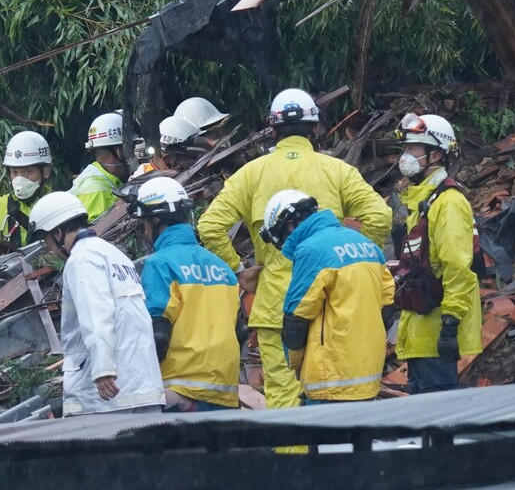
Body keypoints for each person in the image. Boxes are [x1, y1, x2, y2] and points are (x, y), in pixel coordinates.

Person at [197, 88, 392, 410]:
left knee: (285, 404)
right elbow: (379, 215)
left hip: (276, 306)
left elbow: (210, 226)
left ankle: (293, 460)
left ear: (272, 130)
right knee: (338, 400)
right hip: (337, 307)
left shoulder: (251, 174)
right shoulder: (337, 170)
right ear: (316, 128)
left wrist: (239, 271)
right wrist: (353, 262)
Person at [29, 191, 165, 416]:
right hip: (143, 386)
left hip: (105, 397)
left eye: (47, 241)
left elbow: (96, 315)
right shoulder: (114, 255)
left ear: (59, 232)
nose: (50, 249)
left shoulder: (81, 259)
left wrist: (103, 370)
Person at [260, 190, 394, 403]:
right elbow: (387, 304)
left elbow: (297, 316)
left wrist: (295, 365)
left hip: (329, 379)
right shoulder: (367, 245)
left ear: (289, 224)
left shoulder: (310, 250)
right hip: (368, 375)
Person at [130, 177, 240, 411]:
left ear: (156, 220)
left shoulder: (160, 264)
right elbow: (239, 330)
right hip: (225, 391)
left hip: (181, 394)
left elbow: (158, 334)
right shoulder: (221, 267)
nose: (146, 231)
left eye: (145, 224)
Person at [393, 113, 482, 393]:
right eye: (405, 148)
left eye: (413, 149)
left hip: (437, 333)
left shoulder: (449, 202)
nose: (406, 156)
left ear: (435, 155)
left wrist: (450, 323)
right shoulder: (424, 201)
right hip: (421, 333)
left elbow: (457, 266)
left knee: (440, 426)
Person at [0, 131, 53, 255]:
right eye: (14, 172)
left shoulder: (59, 206)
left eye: (28, 172)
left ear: (45, 171)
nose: (19, 179)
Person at [69, 112, 129, 222]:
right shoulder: (96, 188)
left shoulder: (109, 180)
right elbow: (97, 233)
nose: (133, 154)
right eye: (129, 149)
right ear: (120, 152)